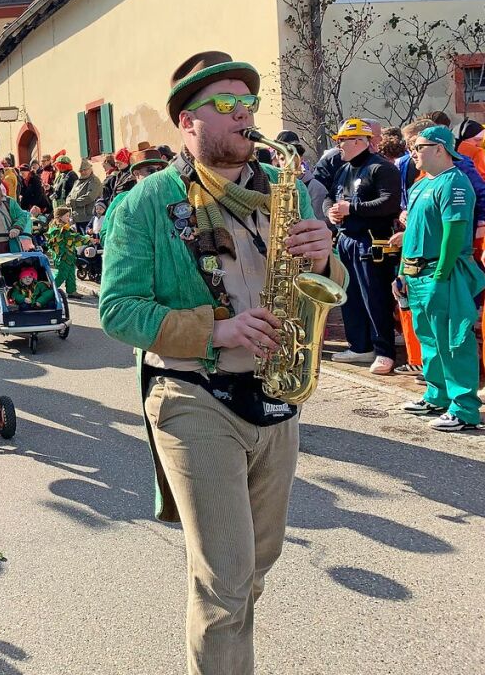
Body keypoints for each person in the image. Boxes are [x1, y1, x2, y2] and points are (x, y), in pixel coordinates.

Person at [100, 51, 344, 675]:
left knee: (254, 569)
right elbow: (119, 311)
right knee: (224, 582)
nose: (245, 115)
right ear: (188, 121)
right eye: (228, 105)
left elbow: (328, 285)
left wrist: (325, 258)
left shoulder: (283, 190)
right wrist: (216, 327)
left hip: (275, 395)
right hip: (192, 397)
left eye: (249, 104)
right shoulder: (145, 204)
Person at [396, 126, 485, 431]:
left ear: (439, 149)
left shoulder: (455, 183)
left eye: (419, 147)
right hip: (416, 274)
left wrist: (441, 276)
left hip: (442, 275)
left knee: (453, 341)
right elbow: (412, 234)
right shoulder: (422, 184)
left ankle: (464, 408)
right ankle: (438, 394)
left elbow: (454, 233)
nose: (413, 153)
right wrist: (402, 273)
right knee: (429, 339)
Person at [324, 118, 401, 375]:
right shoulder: (344, 169)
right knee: (350, 296)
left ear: (360, 141)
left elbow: (389, 204)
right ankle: (359, 345)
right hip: (347, 240)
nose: (339, 145)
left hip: (371, 241)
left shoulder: (381, 168)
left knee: (375, 298)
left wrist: (351, 208)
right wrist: (331, 213)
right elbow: (330, 196)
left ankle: (384, 351)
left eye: (343, 140)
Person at [46, 206, 91, 299]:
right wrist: (87, 239)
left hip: (69, 255)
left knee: (71, 273)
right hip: (62, 257)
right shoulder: (59, 229)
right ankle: (49, 290)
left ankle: (71, 291)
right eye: (66, 216)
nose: (68, 218)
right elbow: (73, 238)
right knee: (62, 275)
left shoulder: (66, 227)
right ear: (60, 217)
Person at [66, 158, 103, 233]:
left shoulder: (94, 180)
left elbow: (90, 196)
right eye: (81, 171)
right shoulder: (77, 182)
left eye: (85, 170)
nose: (83, 172)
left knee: (88, 240)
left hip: (88, 218)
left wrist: (74, 203)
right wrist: (68, 201)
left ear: (90, 169)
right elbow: (70, 195)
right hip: (76, 218)